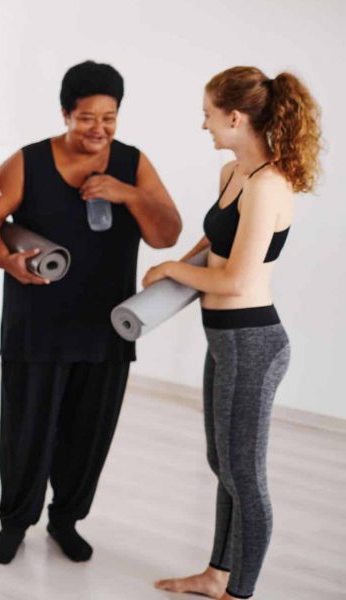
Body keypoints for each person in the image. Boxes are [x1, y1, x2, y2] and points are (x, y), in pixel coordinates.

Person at [0, 60, 181, 565]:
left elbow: (167, 235)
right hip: (37, 323)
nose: (99, 129)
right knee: (28, 430)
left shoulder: (133, 164)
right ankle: (14, 522)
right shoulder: (29, 161)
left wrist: (127, 193)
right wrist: (7, 261)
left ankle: (65, 520)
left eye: (109, 117)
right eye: (87, 117)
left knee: (88, 434)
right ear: (66, 113)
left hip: (106, 325)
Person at [151, 66, 321, 600]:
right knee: (220, 462)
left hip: (253, 342)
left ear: (235, 117)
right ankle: (216, 573)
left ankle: (238, 592)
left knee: (245, 476)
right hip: (223, 340)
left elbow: (236, 278)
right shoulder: (233, 175)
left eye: (208, 115)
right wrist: (177, 263)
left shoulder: (269, 186)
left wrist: (174, 272)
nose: (203, 125)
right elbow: (216, 238)